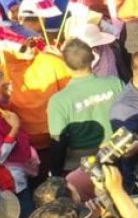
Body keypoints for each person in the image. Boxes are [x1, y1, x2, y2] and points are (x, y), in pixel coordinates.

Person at [47, 38, 124, 172]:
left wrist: (56, 172)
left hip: (80, 164)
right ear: (92, 58)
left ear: (65, 64)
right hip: (116, 154)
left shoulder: (58, 101)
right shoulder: (115, 83)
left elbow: (58, 142)